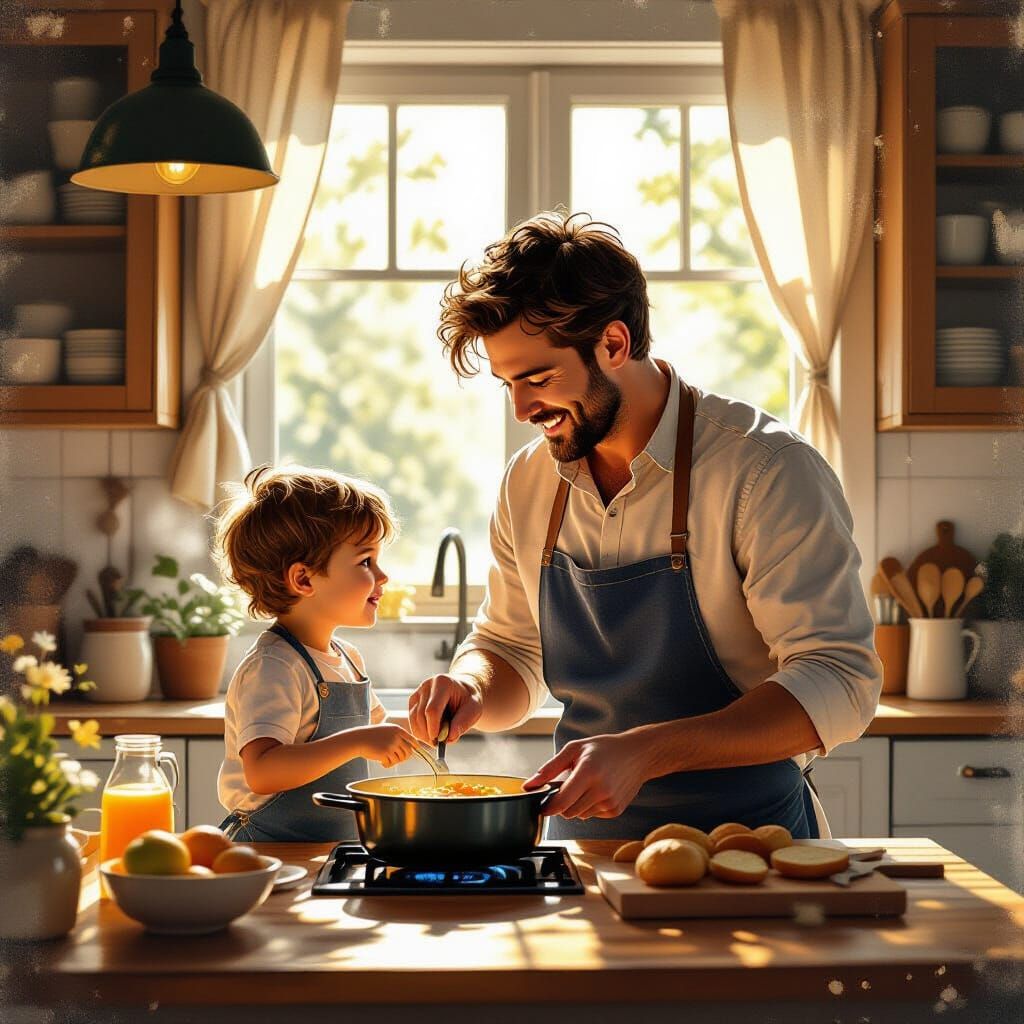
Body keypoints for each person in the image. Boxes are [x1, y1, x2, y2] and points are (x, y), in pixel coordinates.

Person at [407, 211, 882, 840]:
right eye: (507, 385)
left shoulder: (765, 469)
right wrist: (472, 686)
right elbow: (512, 649)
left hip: (749, 848)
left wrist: (649, 752)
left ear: (613, 344)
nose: (521, 409)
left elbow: (839, 679)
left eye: (538, 378)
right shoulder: (529, 483)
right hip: (587, 849)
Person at [213, 464, 420, 842]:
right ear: (303, 579)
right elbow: (262, 770)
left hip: (328, 847)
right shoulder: (275, 667)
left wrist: (429, 724)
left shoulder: (348, 658)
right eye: (366, 561)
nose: (383, 576)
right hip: (270, 851)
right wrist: (358, 742)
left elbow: (377, 731)